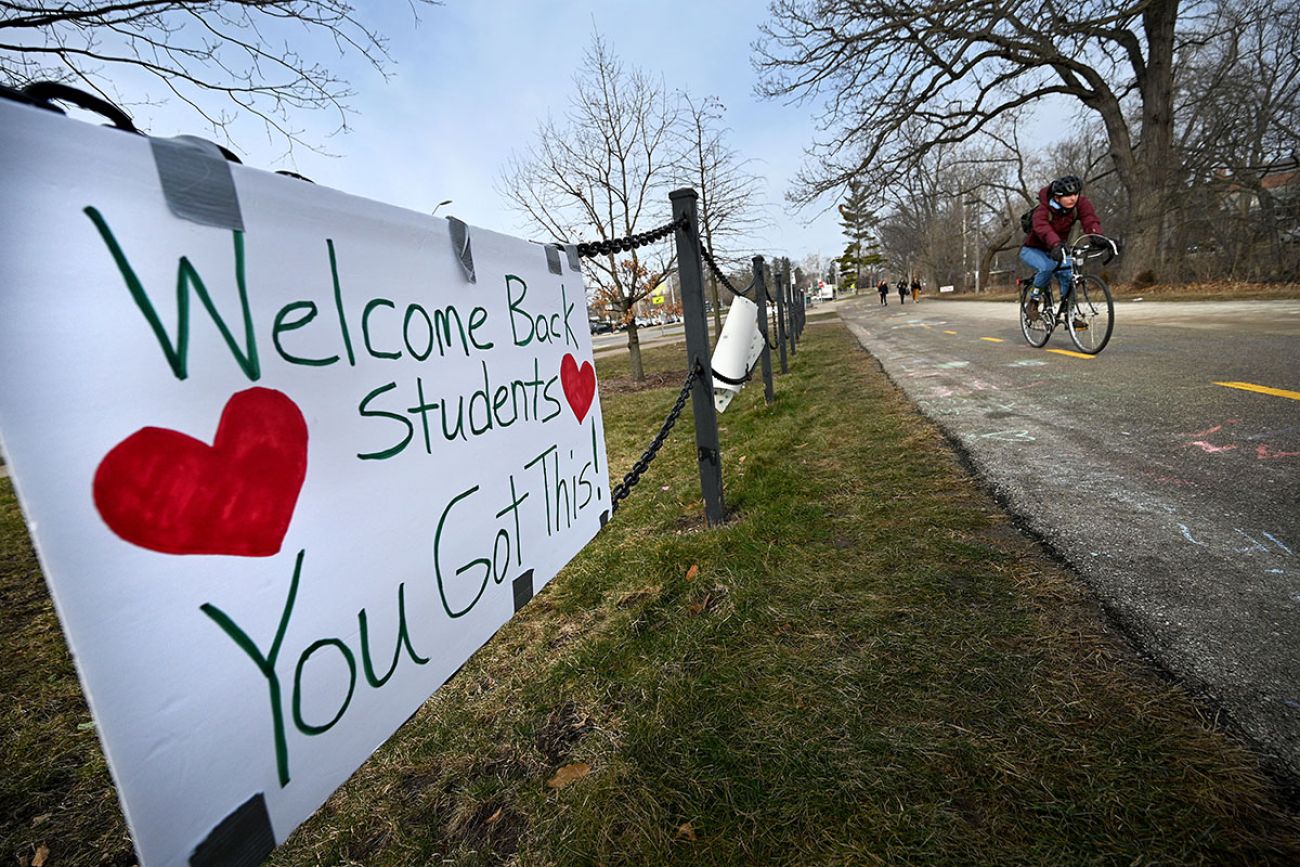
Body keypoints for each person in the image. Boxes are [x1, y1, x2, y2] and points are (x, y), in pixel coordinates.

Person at [1020, 175, 1102, 324]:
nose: (1073, 198)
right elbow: (1042, 229)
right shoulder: (1043, 210)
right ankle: (1033, 301)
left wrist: (1098, 236)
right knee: (1046, 267)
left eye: (1075, 194)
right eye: (1068, 195)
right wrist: (1056, 244)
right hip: (1033, 249)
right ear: (1057, 197)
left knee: (1067, 274)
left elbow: (1089, 218)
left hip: (1058, 248)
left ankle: (1069, 315)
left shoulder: (1080, 204)